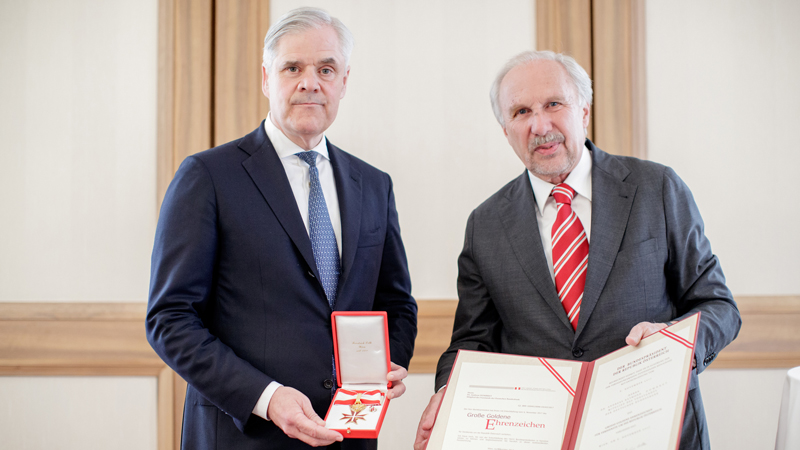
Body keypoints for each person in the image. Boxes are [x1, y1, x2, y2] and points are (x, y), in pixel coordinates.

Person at [413, 50, 740, 450]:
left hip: (657, 433)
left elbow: (719, 306)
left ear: (583, 109)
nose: (539, 125)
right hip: (541, 439)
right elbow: (473, 340)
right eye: (520, 112)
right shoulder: (485, 225)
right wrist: (449, 391)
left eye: (553, 104)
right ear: (505, 130)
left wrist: (677, 345)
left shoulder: (657, 188)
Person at [146, 7, 417, 450]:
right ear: (267, 78)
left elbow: (396, 304)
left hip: (350, 434)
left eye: (326, 69)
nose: (310, 81)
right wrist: (267, 399)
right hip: (244, 436)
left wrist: (388, 364)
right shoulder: (207, 176)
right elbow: (170, 318)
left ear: (344, 82)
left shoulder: (373, 185)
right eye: (293, 67)